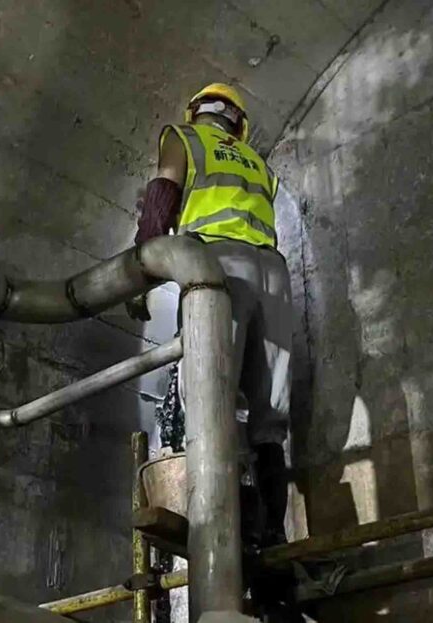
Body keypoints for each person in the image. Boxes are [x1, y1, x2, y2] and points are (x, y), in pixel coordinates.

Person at [134, 83, 292, 551]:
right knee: (269, 415)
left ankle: (224, 531)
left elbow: (162, 196)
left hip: (220, 268)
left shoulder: (185, 138)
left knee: (209, 396)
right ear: (239, 123)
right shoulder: (257, 163)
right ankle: (273, 534)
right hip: (273, 274)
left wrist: (138, 273)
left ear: (196, 111)